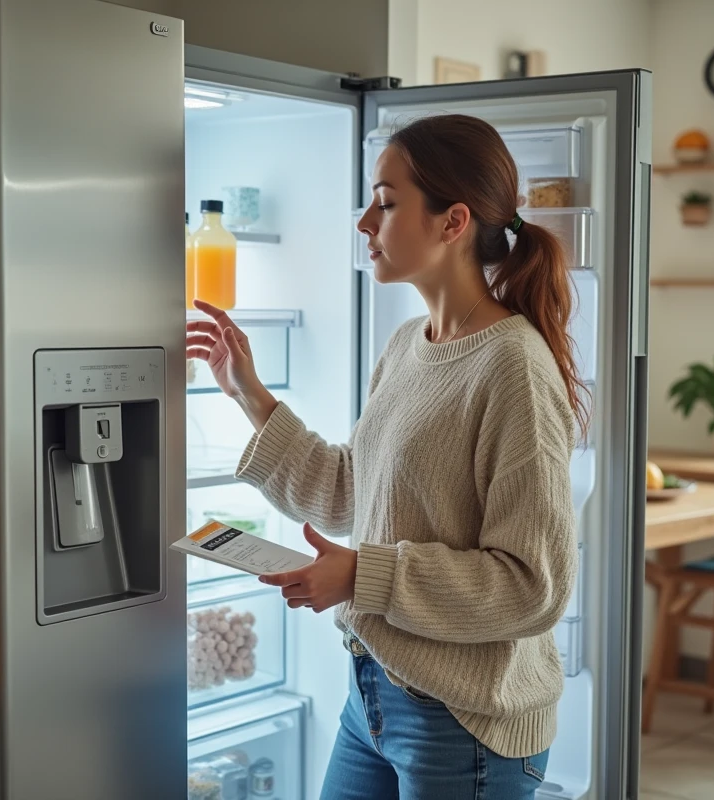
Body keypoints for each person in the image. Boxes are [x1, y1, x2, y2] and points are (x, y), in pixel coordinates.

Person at [185, 113, 585, 800]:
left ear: (452, 221)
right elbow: (352, 491)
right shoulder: (408, 344)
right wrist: (248, 393)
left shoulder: (513, 366)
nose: (366, 222)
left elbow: (533, 584)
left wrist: (365, 577)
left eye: (387, 202)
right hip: (371, 692)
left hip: (464, 723)